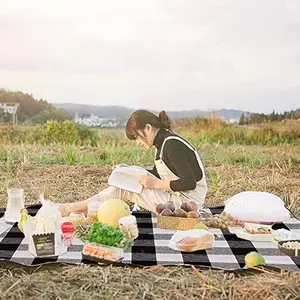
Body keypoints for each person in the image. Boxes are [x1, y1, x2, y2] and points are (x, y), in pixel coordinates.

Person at [59, 110, 208, 216]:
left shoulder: (171, 145)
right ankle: (78, 211)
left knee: (126, 189)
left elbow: (189, 182)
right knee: (125, 184)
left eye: (137, 137)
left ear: (148, 128)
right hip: (178, 198)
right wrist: (129, 170)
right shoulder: (163, 144)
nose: (137, 142)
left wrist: (155, 184)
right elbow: (157, 174)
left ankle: (72, 209)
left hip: (187, 205)